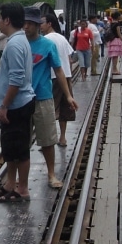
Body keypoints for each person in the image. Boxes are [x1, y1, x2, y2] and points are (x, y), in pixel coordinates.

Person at [24, 7, 76, 188]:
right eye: (25, 22)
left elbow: (59, 70)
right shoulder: (17, 44)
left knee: (48, 140)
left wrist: (68, 95)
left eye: (31, 23)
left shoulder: (47, 45)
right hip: (21, 99)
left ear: (39, 25)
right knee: (20, 141)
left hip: (43, 97)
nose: (27, 26)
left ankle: (51, 175)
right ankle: (17, 180)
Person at [0, 1, 36, 201]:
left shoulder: (15, 44)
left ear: (7, 20)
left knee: (19, 148)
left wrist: (4, 105)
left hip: (17, 105)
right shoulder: (18, 41)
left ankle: (23, 189)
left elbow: (16, 79)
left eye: (0, 18)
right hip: (17, 103)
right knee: (10, 147)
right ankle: (11, 183)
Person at [40, 13, 79, 147]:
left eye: (42, 23)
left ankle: (48, 141)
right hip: (66, 76)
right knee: (65, 108)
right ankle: (62, 138)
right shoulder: (62, 38)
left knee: (50, 110)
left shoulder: (45, 39)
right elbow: (70, 58)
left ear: (49, 23)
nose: (40, 25)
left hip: (53, 76)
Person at [106, 11, 122, 75]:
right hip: (116, 40)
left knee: (114, 56)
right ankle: (114, 69)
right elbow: (119, 33)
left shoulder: (112, 23)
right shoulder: (117, 24)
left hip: (112, 40)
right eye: (120, 15)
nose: (121, 16)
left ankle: (114, 69)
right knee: (116, 56)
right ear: (117, 17)